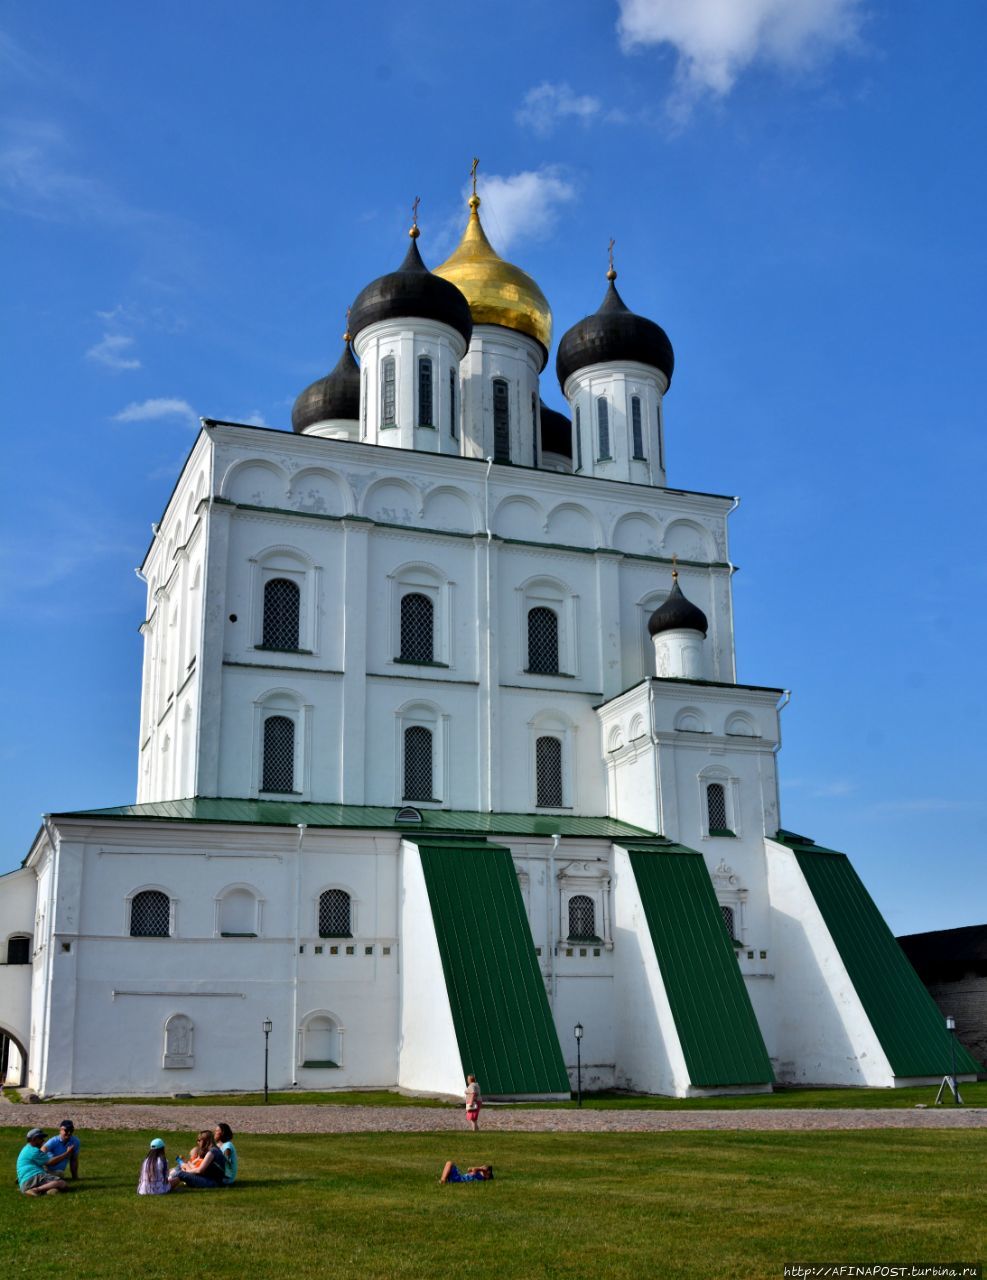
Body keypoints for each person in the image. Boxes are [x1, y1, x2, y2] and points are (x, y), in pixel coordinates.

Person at [16, 1128, 69, 1196]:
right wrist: (66, 1153)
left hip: (24, 1183)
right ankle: (35, 1190)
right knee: (62, 1183)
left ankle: (45, 1190)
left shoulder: (26, 1148)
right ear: (34, 1139)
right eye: (41, 1138)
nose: (43, 1140)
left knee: (54, 1188)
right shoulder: (34, 1151)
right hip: (34, 1176)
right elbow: (51, 1162)